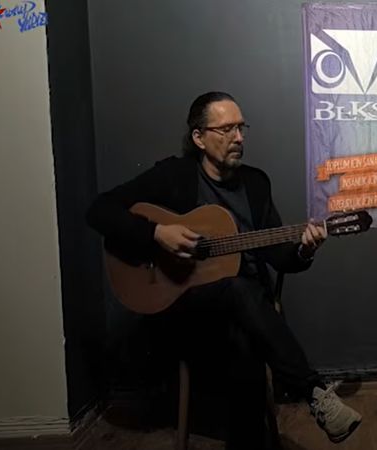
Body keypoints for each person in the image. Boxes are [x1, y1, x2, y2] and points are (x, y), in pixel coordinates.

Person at [86, 91, 362, 448]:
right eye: (227, 129)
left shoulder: (256, 184)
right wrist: (156, 233)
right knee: (235, 291)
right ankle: (312, 390)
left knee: (242, 331)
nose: (239, 137)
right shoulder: (173, 176)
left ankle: (271, 425)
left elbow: (278, 256)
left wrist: (305, 249)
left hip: (247, 312)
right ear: (199, 138)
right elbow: (99, 210)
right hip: (183, 308)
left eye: (241, 128)